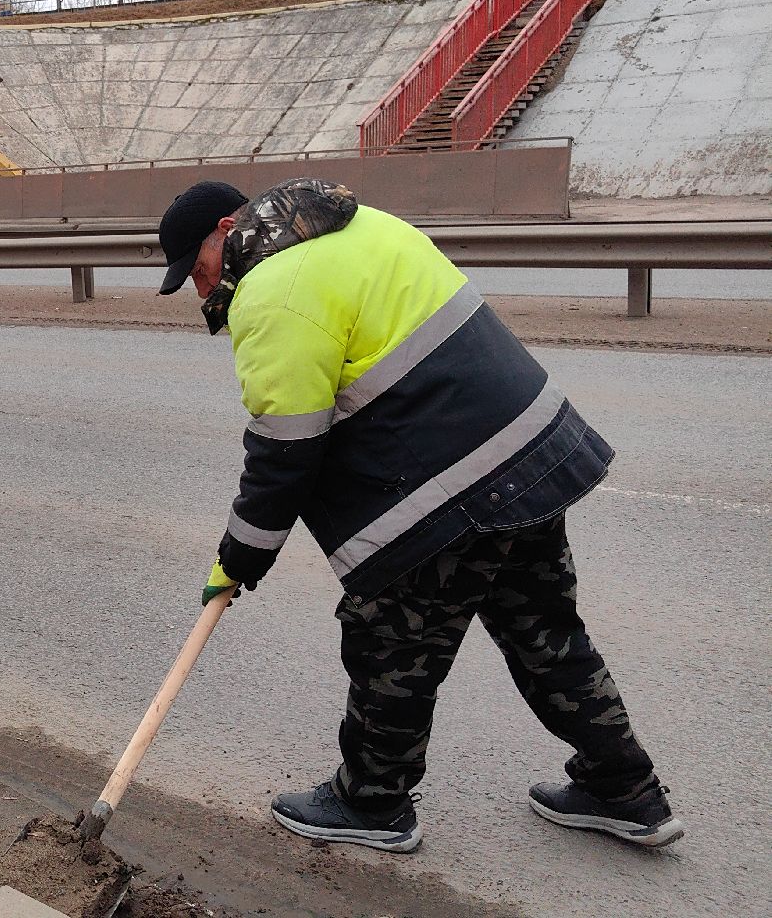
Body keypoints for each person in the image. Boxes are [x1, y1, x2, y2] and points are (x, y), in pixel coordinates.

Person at [156, 178, 682, 854]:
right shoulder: (364, 225)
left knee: (391, 642)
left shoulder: (273, 289)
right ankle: (626, 789)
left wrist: (240, 557)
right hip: (528, 454)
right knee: (544, 631)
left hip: (452, 484)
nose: (203, 293)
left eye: (197, 271)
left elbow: (285, 451)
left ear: (227, 229)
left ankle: (372, 803)